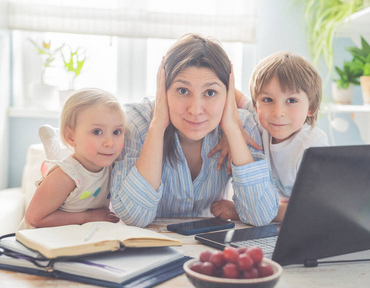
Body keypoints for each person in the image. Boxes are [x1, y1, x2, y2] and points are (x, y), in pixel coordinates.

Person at [110, 34, 278, 227]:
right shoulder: (137, 123)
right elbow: (133, 217)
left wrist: (232, 130)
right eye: (183, 91)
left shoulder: (242, 125)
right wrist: (157, 127)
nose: (196, 110)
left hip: (207, 251)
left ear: (228, 94)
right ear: (163, 89)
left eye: (210, 93)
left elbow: (261, 216)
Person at [210, 51, 329, 222]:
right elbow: (226, 89)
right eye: (267, 100)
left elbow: (310, 210)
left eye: (291, 101)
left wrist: (239, 212)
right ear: (256, 105)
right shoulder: (260, 118)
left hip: (309, 222)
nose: (278, 112)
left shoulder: (312, 146)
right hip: (280, 218)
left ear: (310, 107)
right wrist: (233, 130)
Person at [21, 88, 124, 229]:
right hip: (36, 245)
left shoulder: (114, 167)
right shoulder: (65, 175)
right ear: (71, 137)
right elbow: (33, 219)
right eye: (97, 132)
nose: (110, 142)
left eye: (117, 132)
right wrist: (88, 217)